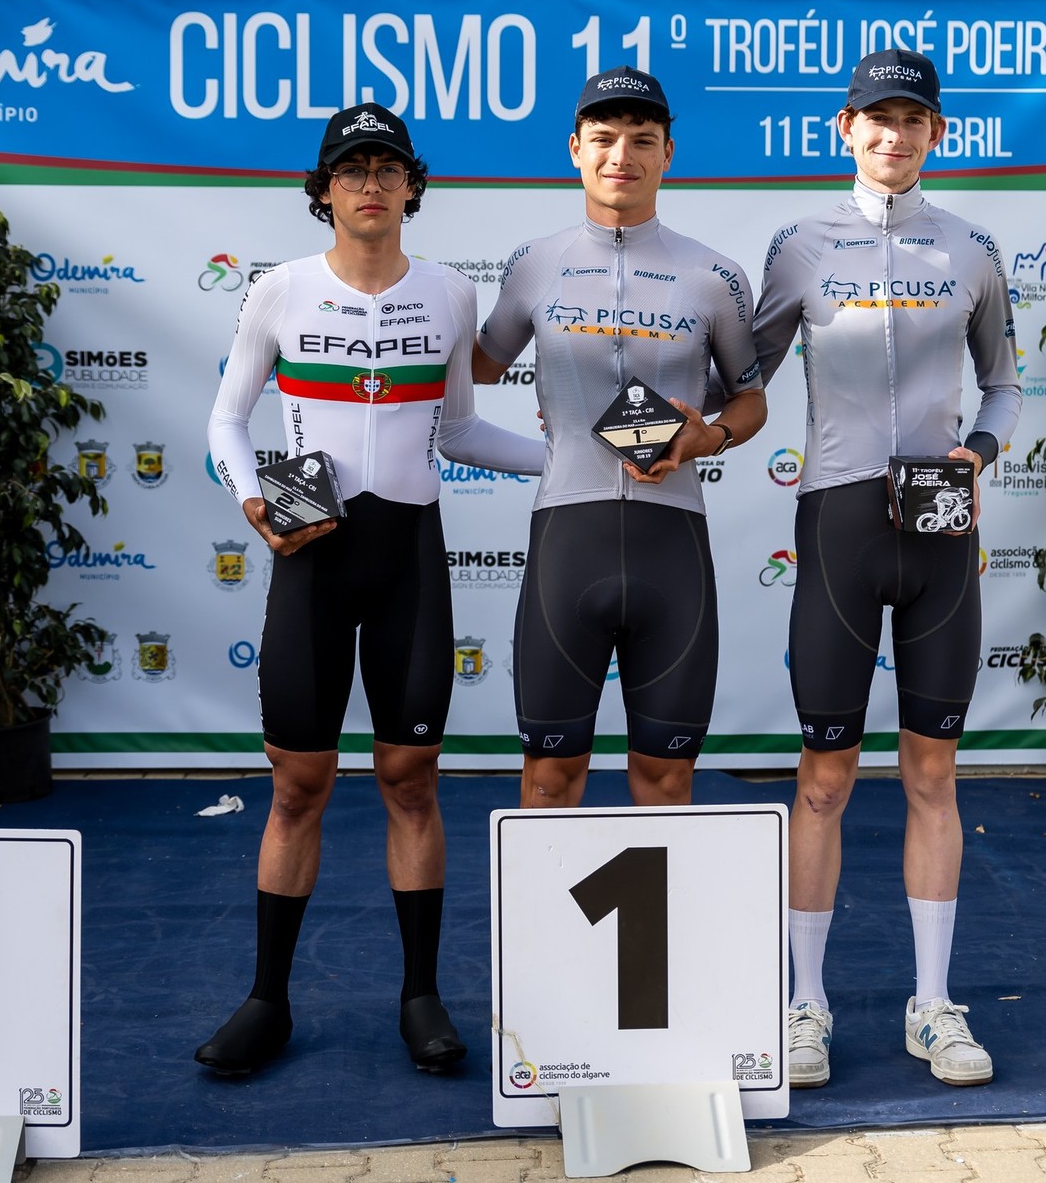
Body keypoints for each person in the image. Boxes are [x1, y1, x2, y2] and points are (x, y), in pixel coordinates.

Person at [199, 103, 543, 1076]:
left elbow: (461, 431)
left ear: (410, 187)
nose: (370, 184)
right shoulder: (278, 290)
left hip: (407, 559)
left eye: (387, 169)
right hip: (311, 555)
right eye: (351, 170)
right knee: (296, 786)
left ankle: (419, 995)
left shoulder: (449, 293)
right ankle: (267, 999)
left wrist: (570, 458)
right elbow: (226, 421)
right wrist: (251, 498)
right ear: (322, 191)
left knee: (410, 779)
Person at [745, 49, 1021, 1090]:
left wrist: (977, 453)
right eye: (876, 117)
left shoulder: (970, 248)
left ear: (936, 134)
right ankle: (803, 1004)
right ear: (844, 128)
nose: (892, 135)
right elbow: (742, 374)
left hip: (939, 521)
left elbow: (1002, 386)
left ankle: (932, 1005)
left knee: (933, 774)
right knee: (822, 778)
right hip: (838, 521)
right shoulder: (799, 244)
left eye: (912, 119)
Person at [472, 67, 768, 809]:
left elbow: (750, 399)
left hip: (674, 544)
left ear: (669, 152)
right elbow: (475, 367)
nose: (621, 156)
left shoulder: (715, 276)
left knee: (667, 779)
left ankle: (657, 899)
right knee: (550, 778)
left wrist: (708, 437)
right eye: (603, 138)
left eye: (642, 139)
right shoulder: (534, 264)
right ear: (575, 148)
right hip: (567, 542)